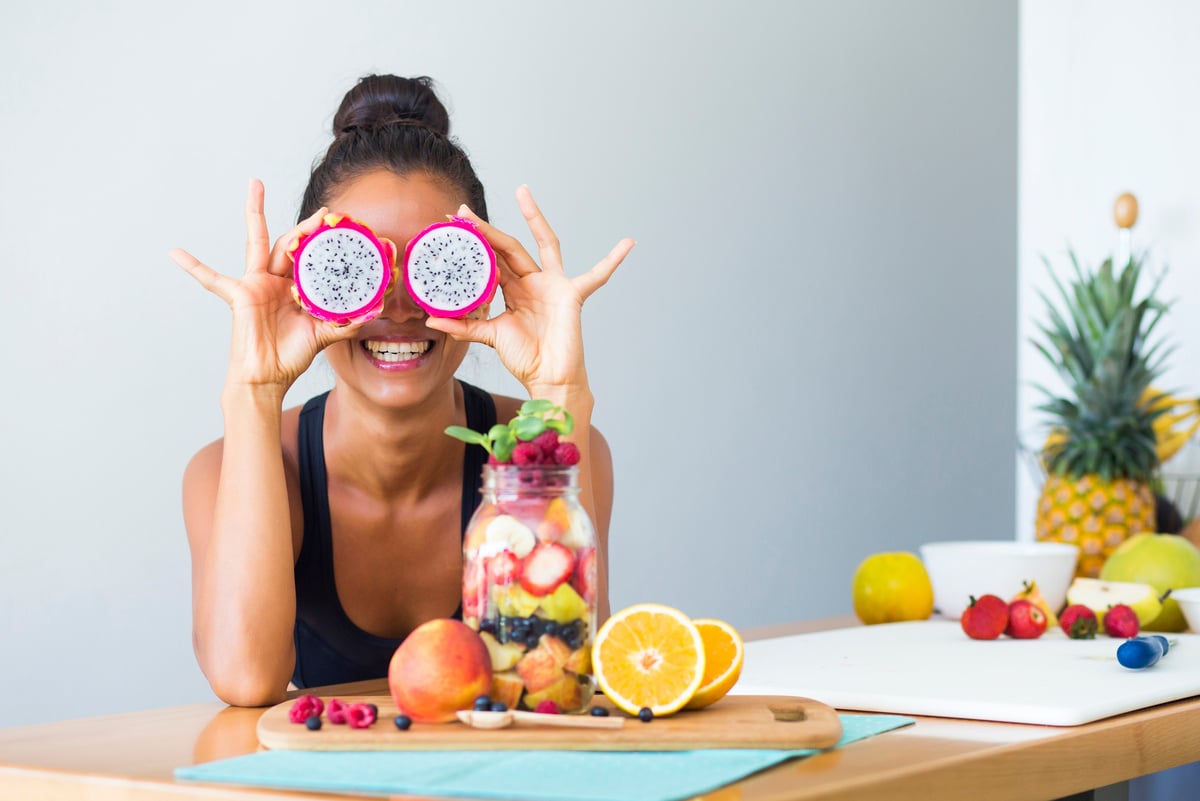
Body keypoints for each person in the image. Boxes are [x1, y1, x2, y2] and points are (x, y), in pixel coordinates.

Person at [170, 74, 633, 707]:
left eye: (438, 267)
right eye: (351, 269)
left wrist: (559, 394)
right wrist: (253, 392)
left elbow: (553, 672)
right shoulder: (228, 470)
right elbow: (246, 678)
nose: (399, 307)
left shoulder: (553, 445)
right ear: (303, 283)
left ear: (489, 277)